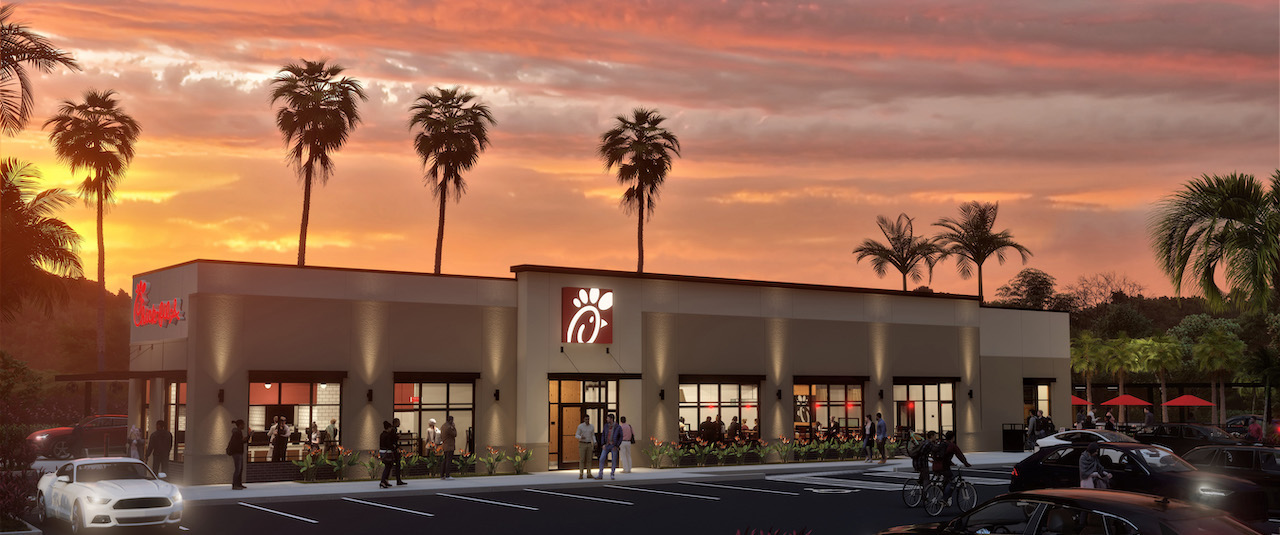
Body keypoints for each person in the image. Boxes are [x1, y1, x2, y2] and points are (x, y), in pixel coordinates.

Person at [932, 430, 972, 505]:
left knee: (946, 480)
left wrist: (951, 463)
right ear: (953, 437)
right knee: (952, 481)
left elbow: (943, 456)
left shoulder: (941, 444)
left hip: (936, 466)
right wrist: (966, 463)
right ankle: (944, 499)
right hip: (944, 467)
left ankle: (941, 492)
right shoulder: (952, 445)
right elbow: (960, 455)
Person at [379, 420, 406, 488]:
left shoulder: (382, 434)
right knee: (388, 467)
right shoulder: (387, 435)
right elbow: (389, 444)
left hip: (382, 452)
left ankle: (385, 481)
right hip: (387, 452)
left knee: (388, 466)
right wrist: (394, 447)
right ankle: (383, 481)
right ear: (388, 428)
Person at [597, 414, 622, 480]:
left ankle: (612, 474)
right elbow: (603, 435)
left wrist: (617, 445)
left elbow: (620, 437)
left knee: (613, 460)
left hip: (613, 445)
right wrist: (603, 444)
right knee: (602, 458)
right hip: (606, 445)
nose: (606, 419)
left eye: (608, 418)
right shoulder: (606, 426)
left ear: (611, 419)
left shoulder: (617, 427)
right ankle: (600, 474)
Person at [226, 419, 248, 490]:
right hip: (237, 452)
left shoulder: (237, 432)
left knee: (240, 468)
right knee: (238, 469)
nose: (244, 425)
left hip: (237, 452)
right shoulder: (237, 432)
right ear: (240, 425)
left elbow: (240, 441)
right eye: (243, 424)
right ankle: (235, 484)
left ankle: (238, 484)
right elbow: (240, 442)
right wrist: (248, 437)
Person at [575, 414, 595, 479]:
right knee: (582, 459)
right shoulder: (580, 426)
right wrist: (581, 437)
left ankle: (589, 473)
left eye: (588, 419)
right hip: (582, 443)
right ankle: (581, 473)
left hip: (589, 443)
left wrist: (595, 441)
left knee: (589, 459)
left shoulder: (591, 426)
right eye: (586, 419)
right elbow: (576, 435)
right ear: (584, 419)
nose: (587, 420)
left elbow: (593, 435)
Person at [441, 415, 458, 480]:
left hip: (445, 445)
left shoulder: (443, 426)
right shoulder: (449, 427)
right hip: (449, 445)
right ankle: (447, 475)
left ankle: (442, 475)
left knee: (445, 460)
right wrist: (454, 427)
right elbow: (455, 434)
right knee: (448, 460)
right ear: (451, 420)